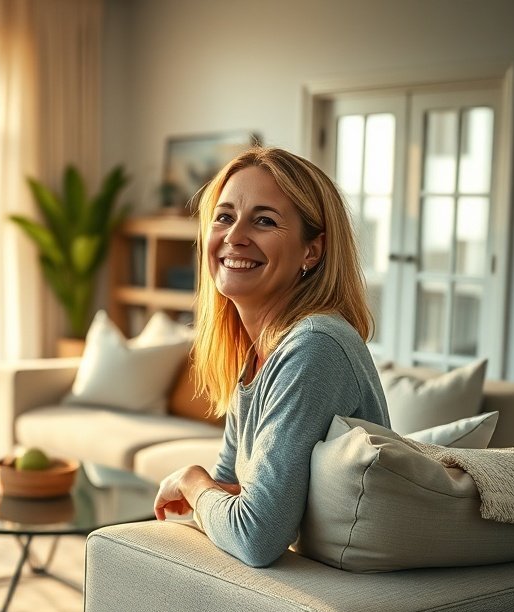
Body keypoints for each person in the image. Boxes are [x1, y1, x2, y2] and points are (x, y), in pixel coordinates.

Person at [153, 146, 389, 567]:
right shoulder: (261, 350)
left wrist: (191, 481)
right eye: (224, 216)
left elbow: (254, 535)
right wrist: (208, 492)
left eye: (264, 221)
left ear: (311, 251)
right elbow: (228, 484)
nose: (234, 236)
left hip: (344, 586)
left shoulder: (314, 346)